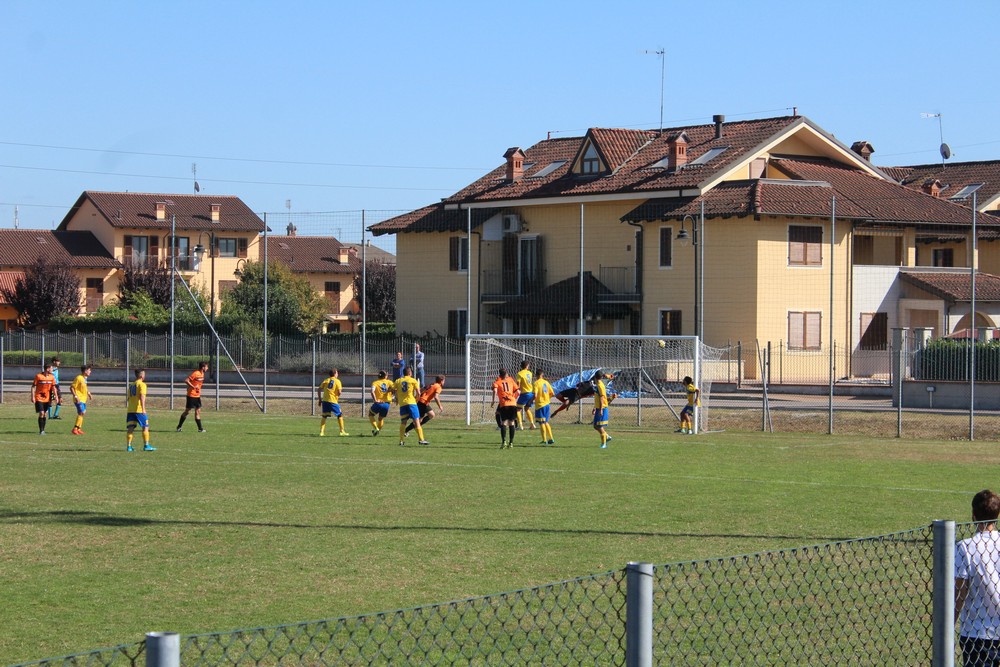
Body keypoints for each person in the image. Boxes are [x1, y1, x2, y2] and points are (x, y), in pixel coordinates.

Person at [956, 489, 1000, 666]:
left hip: (978, 632)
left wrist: (948, 624)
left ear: (973, 515)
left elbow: (960, 592)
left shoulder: (966, 547)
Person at [394, 366, 427, 446]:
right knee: (416, 421)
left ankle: (401, 441)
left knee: (403, 422)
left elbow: (394, 390)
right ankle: (421, 440)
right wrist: (417, 400)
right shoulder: (413, 380)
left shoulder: (398, 381)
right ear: (410, 373)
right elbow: (418, 393)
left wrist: (397, 399)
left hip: (403, 404)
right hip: (411, 403)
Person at [406, 375, 445, 440]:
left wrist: (417, 396)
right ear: (441, 381)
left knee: (431, 415)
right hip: (423, 402)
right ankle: (407, 430)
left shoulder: (432, 384)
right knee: (419, 420)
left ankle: (415, 427)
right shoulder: (438, 387)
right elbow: (436, 396)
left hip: (423, 401)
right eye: (444, 381)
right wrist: (440, 406)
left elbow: (422, 389)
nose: (444, 382)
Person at [126, 368, 155, 452]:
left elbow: (128, 398)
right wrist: (143, 409)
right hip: (139, 410)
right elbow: (142, 397)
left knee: (130, 428)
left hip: (130, 410)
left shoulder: (131, 385)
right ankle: (146, 445)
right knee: (145, 427)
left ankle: (129, 447)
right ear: (142, 376)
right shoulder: (142, 385)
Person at [176, 361, 208, 433]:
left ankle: (200, 429)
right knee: (187, 411)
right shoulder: (196, 373)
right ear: (203, 367)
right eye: (206, 367)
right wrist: (193, 386)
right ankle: (179, 426)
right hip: (191, 395)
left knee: (198, 411)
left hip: (197, 396)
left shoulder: (202, 374)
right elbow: (186, 380)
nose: (207, 368)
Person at [491, 369, 520, 449]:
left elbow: (495, 390)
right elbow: (518, 392)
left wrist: (493, 401)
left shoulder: (497, 382)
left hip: (504, 404)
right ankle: (511, 443)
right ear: (506, 374)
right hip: (513, 403)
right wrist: (513, 398)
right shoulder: (511, 380)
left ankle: (504, 442)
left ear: (499, 375)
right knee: (512, 423)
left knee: (504, 422)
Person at [317, 368, 349, 437]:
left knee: (324, 416)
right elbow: (340, 392)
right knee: (340, 415)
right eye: (337, 373)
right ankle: (342, 431)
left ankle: (321, 432)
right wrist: (337, 396)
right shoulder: (337, 381)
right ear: (335, 374)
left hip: (325, 401)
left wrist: (320, 399)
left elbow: (319, 389)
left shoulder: (326, 380)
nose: (338, 374)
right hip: (333, 401)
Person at [592, 370, 617, 449]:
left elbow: (602, 397)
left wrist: (601, 409)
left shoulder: (600, 386)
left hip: (602, 408)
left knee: (599, 426)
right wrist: (594, 408)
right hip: (598, 407)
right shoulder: (598, 384)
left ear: (595, 377)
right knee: (595, 426)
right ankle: (607, 437)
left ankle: (604, 444)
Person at [31, 362, 56, 435]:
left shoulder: (52, 377)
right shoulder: (38, 376)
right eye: (51, 368)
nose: (52, 369)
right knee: (41, 413)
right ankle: (41, 430)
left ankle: (43, 430)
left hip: (47, 398)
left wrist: (56, 397)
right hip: (39, 398)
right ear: (47, 368)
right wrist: (32, 396)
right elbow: (33, 386)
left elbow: (53, 387)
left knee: (45, 414)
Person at [533, 369, 556, 445]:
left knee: (541, 422)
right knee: (546, 421)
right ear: (542, 375)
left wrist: (530, 401)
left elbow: (535, 395)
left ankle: (544, 440)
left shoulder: (536, 383)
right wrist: (547, 398)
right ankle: (551, 438)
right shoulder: (546, 382)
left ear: (536, 375)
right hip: (547, 404)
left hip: (540, 405)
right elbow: (552, 393)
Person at [368, 370, 394, 436]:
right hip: (386, 404)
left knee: (371, 415)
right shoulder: (389, 382)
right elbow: (395, 389)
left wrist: (375, 400)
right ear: (385, 376)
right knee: (380, 418)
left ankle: (376, 428)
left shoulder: (375, 383)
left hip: (378, 403)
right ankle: (376, 431)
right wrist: (390, 391)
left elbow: (372, 392)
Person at [70, 365, 93, 435]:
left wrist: (88, 393)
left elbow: (84, 388)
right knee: (81, 413)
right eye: (89, 370)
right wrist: (76, 396)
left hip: (83, 399)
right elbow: (71, 388)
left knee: (83, 413)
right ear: (85, 371)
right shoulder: (78, 378)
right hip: (78, 399)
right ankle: (75, 429)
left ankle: (78, 429)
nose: (90, 372)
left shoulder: (84, 378)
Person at [515, 360, 536, 431]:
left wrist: (517, 390)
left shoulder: (520, 374)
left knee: (518, 409)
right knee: (527, 409)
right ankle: (532, 424)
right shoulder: (530, 373)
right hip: (531, 393)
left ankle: (520, 426)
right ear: (527, 366)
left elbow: (518, 383)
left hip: (524, 393)